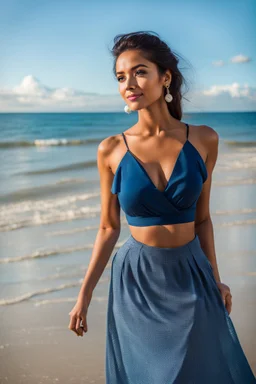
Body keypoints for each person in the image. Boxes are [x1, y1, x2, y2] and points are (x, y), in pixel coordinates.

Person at [68, 31, 256, 383]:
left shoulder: (204, 139)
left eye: (139, 72)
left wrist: (216, 279)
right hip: (137, 281)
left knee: (204, 370)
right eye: (120, 77)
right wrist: (84, 295)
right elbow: (109, 228)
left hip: (191, 273)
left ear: (164, 76)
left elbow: (202, 220)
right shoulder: (110, 149)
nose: (128, 84)